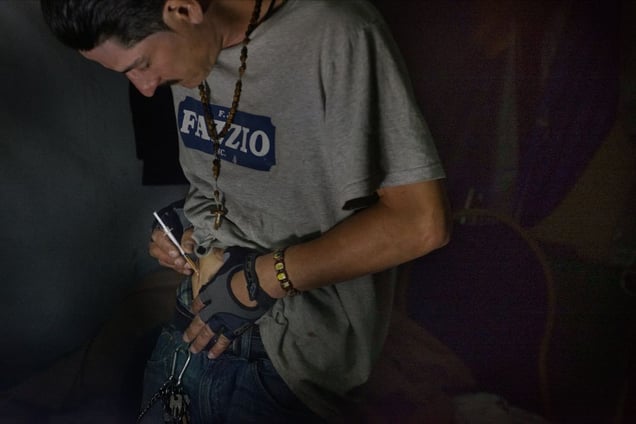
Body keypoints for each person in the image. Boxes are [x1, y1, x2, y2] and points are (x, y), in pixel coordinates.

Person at [40, 0, 451, 422]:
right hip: (192, 326)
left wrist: (260, 281)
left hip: (288, 361)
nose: (146, 88)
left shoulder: (338, 33)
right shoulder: (190, 50)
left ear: (183, 9)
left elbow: (421, 223)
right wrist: (187, 223)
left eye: (141, 64)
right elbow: (246, 182)